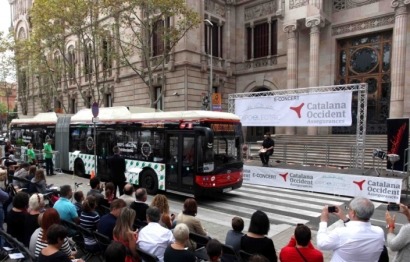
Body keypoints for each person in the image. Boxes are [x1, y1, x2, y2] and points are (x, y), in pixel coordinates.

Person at [316, 197, 384, 262]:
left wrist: (323, 221)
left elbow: (322, 244)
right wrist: (344, 218)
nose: (348, 211)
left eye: (349, 209)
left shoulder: (341, 233)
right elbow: (357, 229)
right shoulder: (379, 232)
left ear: (353, 213)